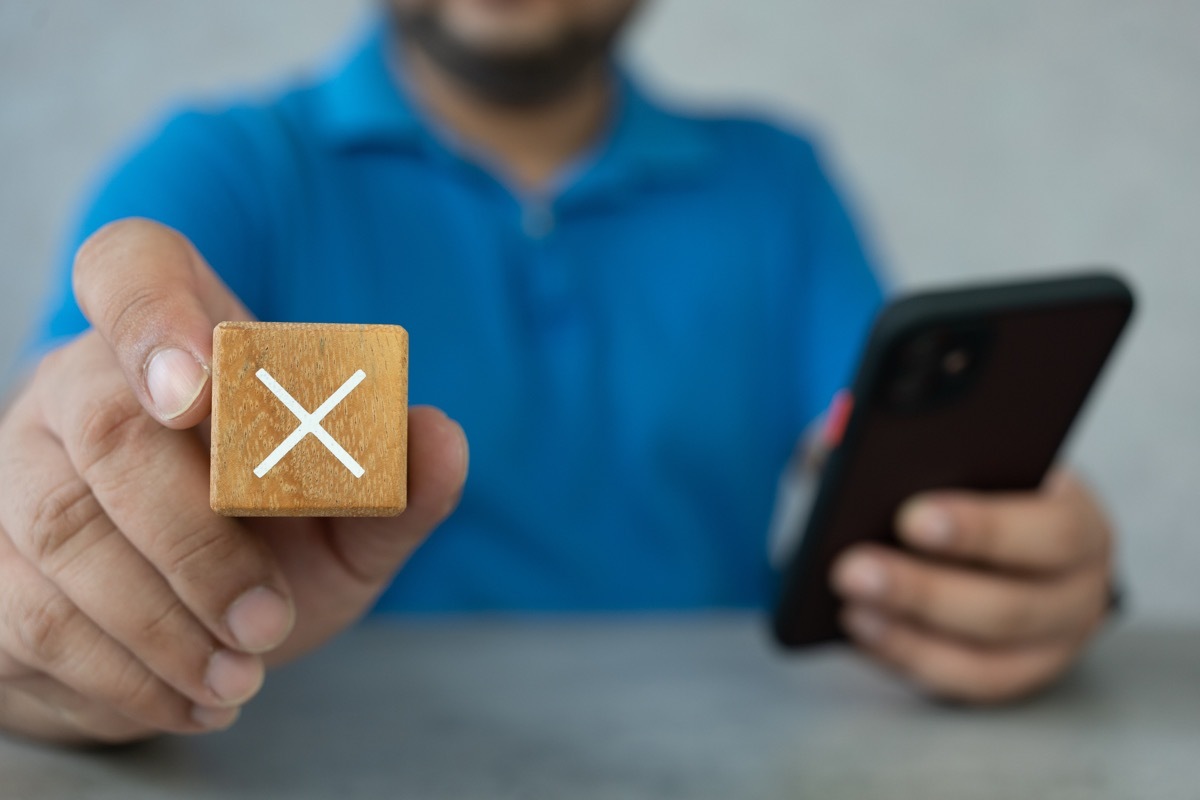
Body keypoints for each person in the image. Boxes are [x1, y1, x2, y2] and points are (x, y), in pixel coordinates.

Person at [0, 0, 1117, 745]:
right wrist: (54, 602)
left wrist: (1022, 560)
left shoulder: (777, 181)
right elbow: (61, 464)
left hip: (736, 756)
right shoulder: (226, 165)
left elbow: (885, 460)